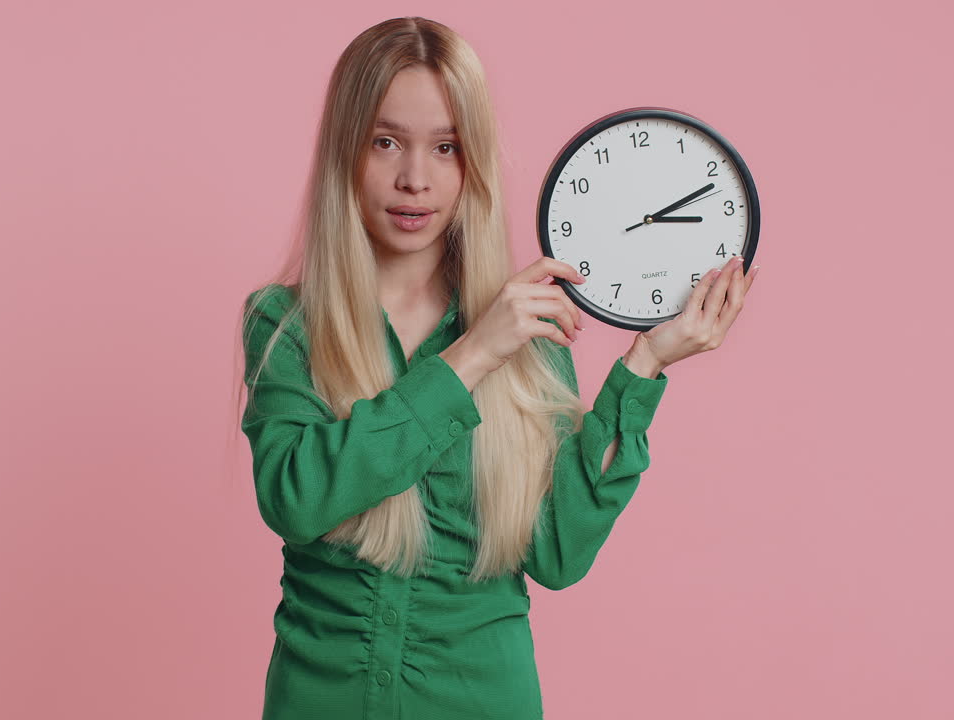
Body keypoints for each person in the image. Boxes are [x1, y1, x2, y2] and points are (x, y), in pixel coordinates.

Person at [237, 16, 758, 720]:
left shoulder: (532, 333)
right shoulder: (284, 323)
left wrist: (643, 367)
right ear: (343, 153)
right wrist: (472, 354)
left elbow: (558, 557)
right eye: (385, 142)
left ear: (473, 161)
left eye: (446, 148)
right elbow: (296, 500)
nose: (414, 179)